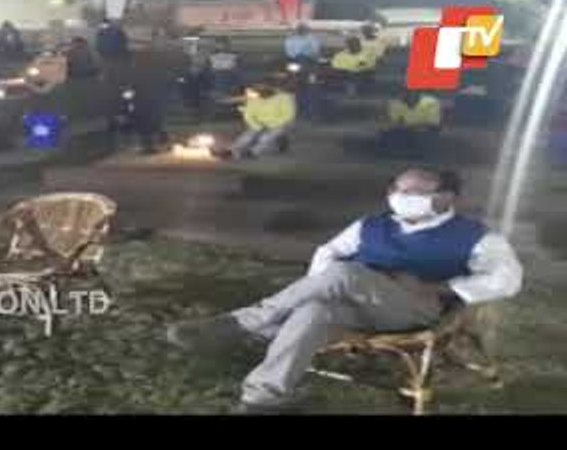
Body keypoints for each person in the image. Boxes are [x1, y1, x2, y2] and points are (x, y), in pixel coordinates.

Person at [166, 168, 524, 413]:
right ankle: (263, 399)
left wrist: (442, 286)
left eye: (418, 191)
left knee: (345, 272)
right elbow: (328, 252)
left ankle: (243, 324)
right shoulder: (372, 225)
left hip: (417, 307)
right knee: (314, 310)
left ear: (447, 196)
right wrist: (323, 290)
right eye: (399, 190)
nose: (405, 196)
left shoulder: (475, 235)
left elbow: (508, 278)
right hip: (357, 301)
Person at [218, 81, 296, 159]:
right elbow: (249, 113)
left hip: (280, 124)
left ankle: (253, 152)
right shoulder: (255, 98)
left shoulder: (284, 98)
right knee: (248, 135)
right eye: (259, 91)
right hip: (262, 123)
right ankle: (231, 151)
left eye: (263, 91)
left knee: (266, 137)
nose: (261, 93)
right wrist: (256, 124)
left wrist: (272, 125)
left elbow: (288, 116)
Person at [379, 90, 442, 157]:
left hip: (423, 135)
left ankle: (415, 154)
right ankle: (400, 153)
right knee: (391, 134)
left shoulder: (431, 102)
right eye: (407, 91)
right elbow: (389, 124)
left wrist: (410, 126)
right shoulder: (394, 103)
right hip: (402, 134)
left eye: (413, 91)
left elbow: (434, 125)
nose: (410, 94)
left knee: (423, 134)